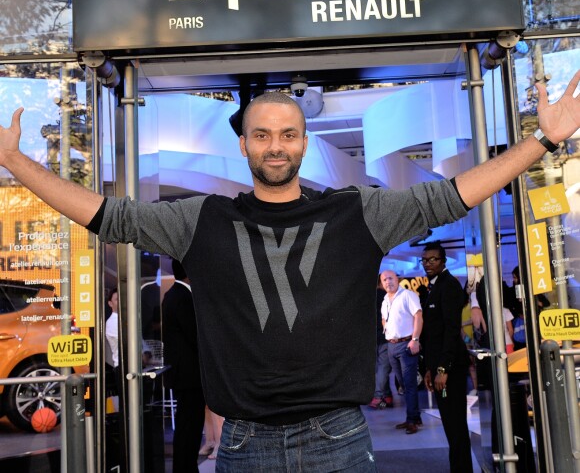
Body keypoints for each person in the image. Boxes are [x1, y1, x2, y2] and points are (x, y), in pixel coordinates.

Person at [0, 70, 578, 472]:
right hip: (243, 442)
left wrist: (543, 140)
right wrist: (16, 162)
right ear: (245, 146)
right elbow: (107, 216)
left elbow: (451, 196)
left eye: (288, 134)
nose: (275, 146)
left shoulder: (359, 212)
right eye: (262, 135)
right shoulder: (199, 220)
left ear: (304, 141)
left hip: (342, 440)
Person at [421, 242, 473, 473]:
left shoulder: (449, 286)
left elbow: (452, 330)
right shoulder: (435, 287)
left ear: (443, 261)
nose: (428, 263)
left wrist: (443, 369)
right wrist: (429, 369)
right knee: (451, 426)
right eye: (425, 260)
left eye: (433, 259)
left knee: (456, 425)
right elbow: (432, 333)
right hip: (439, 368)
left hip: (450, 371)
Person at [162, 259, 206, 473]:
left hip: (183, 374)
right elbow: (194, 335)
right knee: (190, 425)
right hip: (189, 375)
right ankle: (186, 467)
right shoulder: (182, 297)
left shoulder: (173, 295)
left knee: (187, 424)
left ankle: (185, 466)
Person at [381, 270, 423, 434]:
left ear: (397, 279)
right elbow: (384, 318)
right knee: (404, 386)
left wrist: (415, 339)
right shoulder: (385, 299)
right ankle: (413, 417)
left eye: (390, 278)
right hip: (391, 345)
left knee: (410, 384)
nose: (387, 282)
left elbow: (418, 316)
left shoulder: (408, 295)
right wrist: (387, 330)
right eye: (384, 280)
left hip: (406, 344)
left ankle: (412, 420)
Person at [368, 273, 393, 410]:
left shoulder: (370, 297)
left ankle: (386, 396)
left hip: (373, 337)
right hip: (385, 336)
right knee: (383, 367)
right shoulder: (386, 296)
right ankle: (380, 397)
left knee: (379, 368)